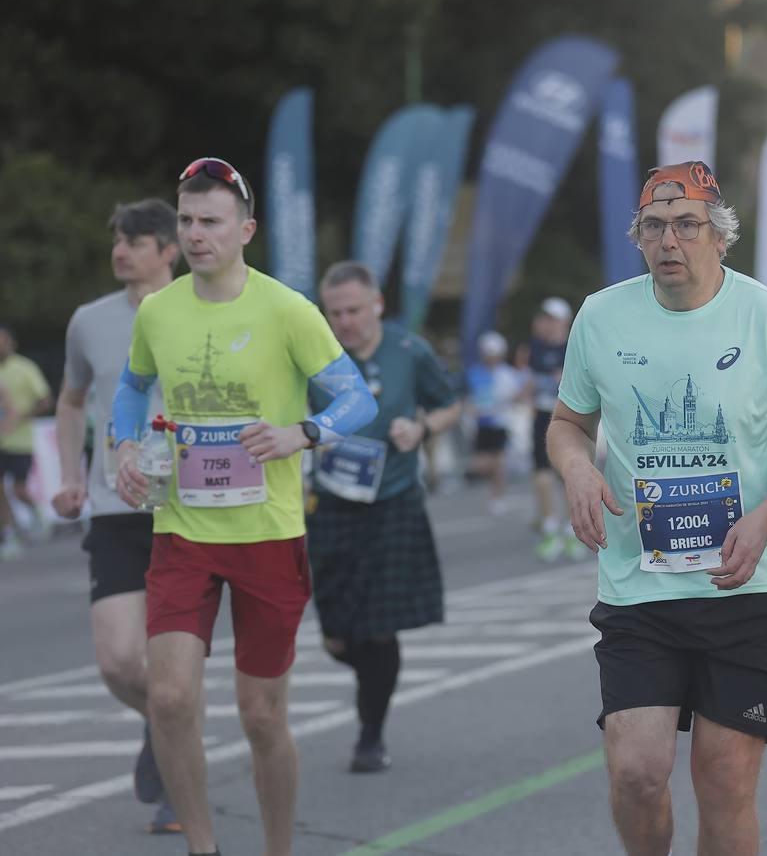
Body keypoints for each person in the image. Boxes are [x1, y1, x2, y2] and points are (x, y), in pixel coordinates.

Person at [548, 161, 767, 856]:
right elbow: (568, 423)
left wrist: (765, 519)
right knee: (637, 773)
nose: (668, 241)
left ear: (719, 236)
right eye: (653, 227)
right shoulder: (601, 316)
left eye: (686, 225)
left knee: (724, 779)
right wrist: (576, 469)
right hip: (639, 582)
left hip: (745, 583)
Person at [111, 157, 376, 856]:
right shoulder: (158, 310)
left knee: (261, 716)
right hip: (182, 531)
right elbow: (132, 387)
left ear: (246, 231)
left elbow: (358, 399)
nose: (196, 234)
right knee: (170, 698)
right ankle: (203, 848)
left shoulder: (288, 310)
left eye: (211, 221)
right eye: (186, 221)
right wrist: (124, 445)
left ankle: (277, 848)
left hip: (268, 535)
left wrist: (303, 432)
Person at [50, 199, 181, 833]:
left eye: (135, 241)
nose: (120, 251)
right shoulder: (89, 321)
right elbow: (71, 401)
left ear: (169, 250)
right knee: (118, 661)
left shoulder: (203, 311)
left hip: (187, 510)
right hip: (115, 505)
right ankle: (165, 725)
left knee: (175, 664)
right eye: (117, 240)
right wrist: (71, 477)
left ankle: (178, 783)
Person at [309, 261, 461, 773]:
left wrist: (420, 429)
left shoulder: (408, 350)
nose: (345, 322)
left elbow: (449, 405)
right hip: (330, 504)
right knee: (337, 635)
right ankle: (369, 671)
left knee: (378, 627)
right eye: (335, 313)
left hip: (393, 499)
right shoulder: (315, 355)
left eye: (354, 310)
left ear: (376, 304)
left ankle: (370, 736)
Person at [525, 297, 584, 560]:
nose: (547, 324)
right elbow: (531, 382)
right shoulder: (535, 348)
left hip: (569, 417)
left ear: (564, 321)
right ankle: (550, 529)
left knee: (568, 474)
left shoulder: (574, 346)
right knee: (541, 474)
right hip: (542, 415)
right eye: (545, 318)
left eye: (553, 319)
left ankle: (572, 531)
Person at [0, 325, 53, 558]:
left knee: (19, 488)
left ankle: (37, 514)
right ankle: (9, 532)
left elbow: (45, 400)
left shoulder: (24, 368)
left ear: (11, 342)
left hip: (19, 440)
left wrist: (20, 417)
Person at [465, 330, 524, 514]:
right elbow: (471, 397)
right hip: (481, 423)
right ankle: (507, 475)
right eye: (488, 354)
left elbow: (518, 396)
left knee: (498, 462)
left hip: (500, 423)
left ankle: (497, 497)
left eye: (494, 354)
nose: (491, 358)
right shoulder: (475, 373)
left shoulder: (507, 374)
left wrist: (507, 401)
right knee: (480, 464)